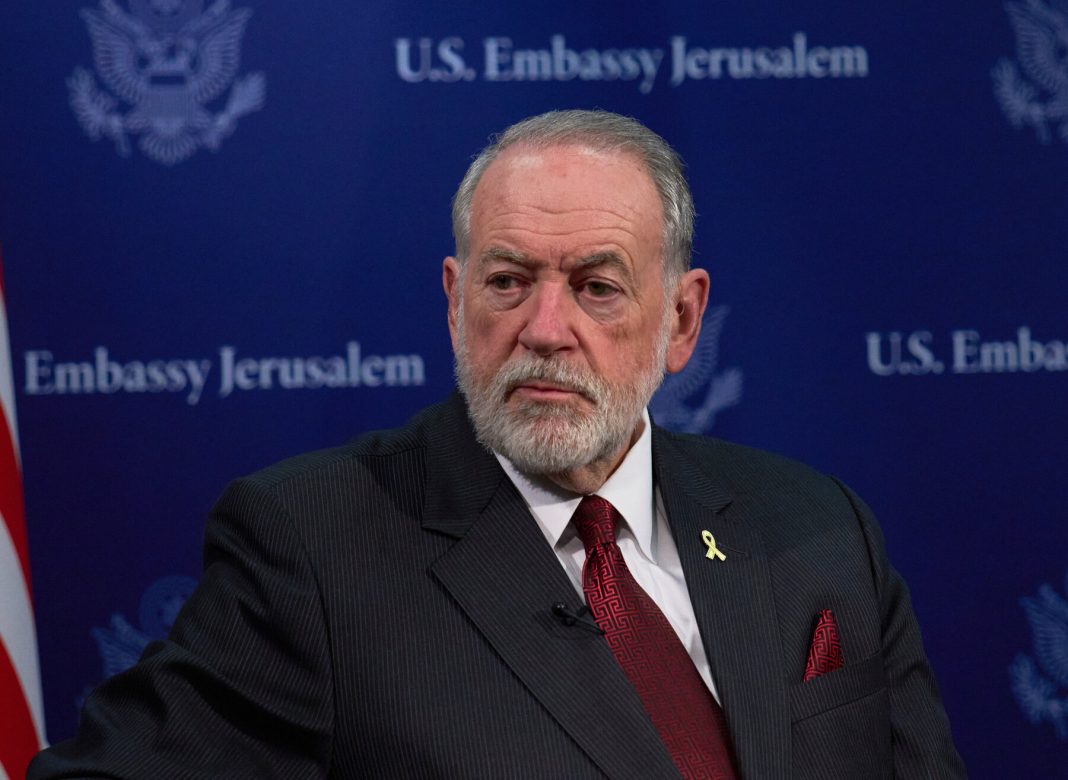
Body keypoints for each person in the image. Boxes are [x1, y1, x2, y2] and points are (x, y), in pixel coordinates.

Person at [30, 110, 965, 779]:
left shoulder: (816, 527)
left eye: (597, 287)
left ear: (682, 321)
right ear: (454, 301)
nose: (545, 329)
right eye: (509, 281)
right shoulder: (311, 548)